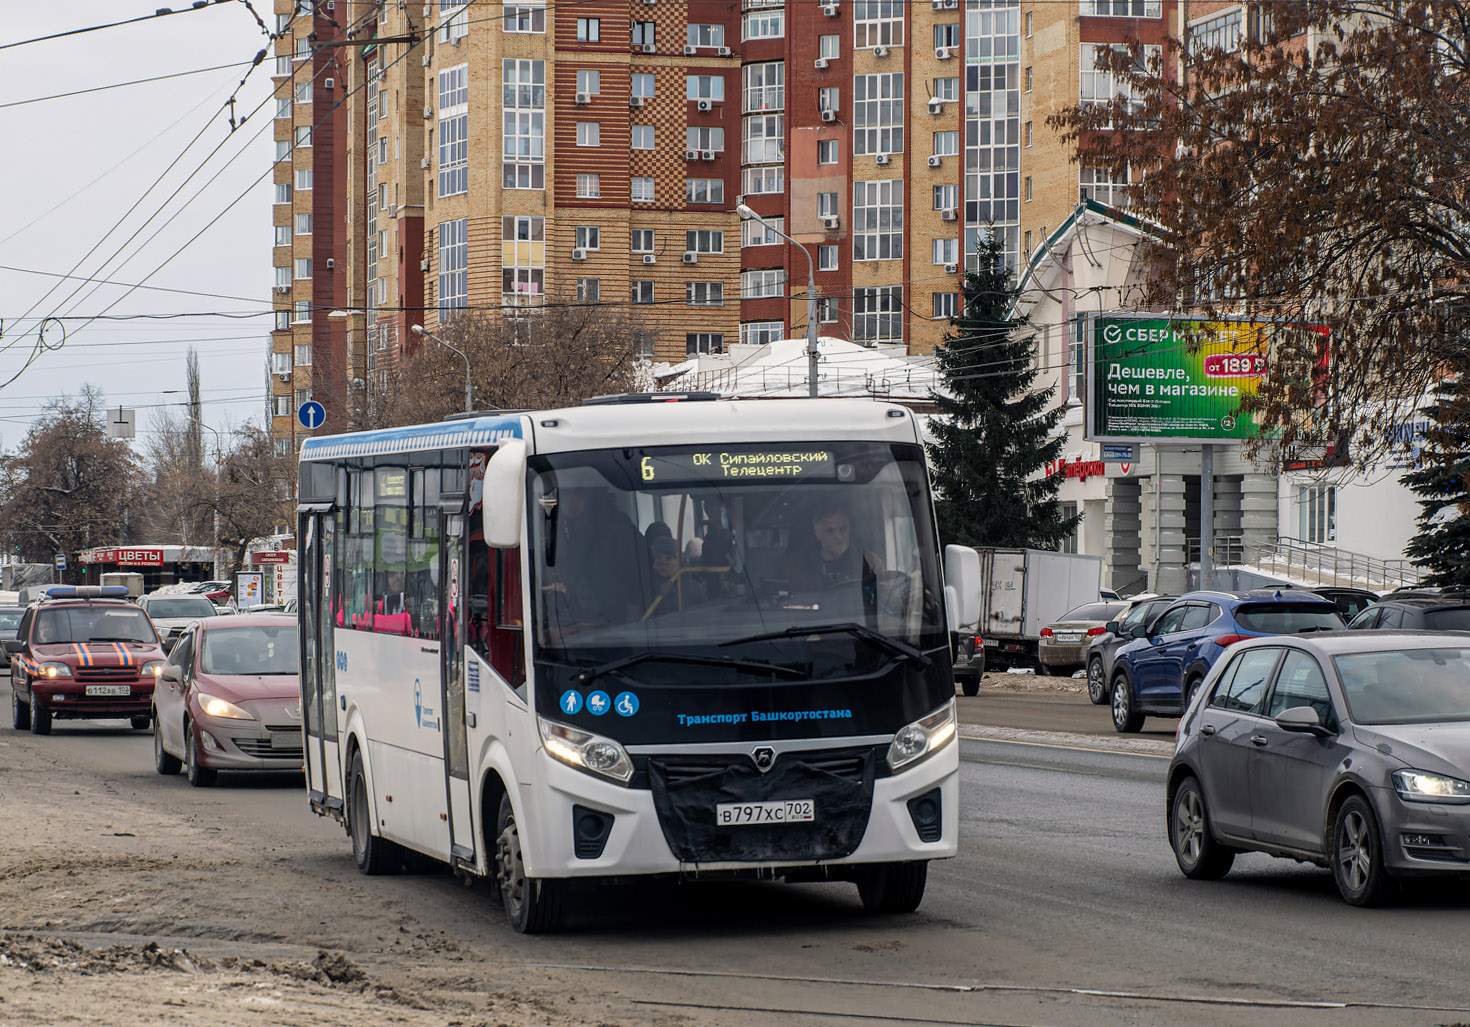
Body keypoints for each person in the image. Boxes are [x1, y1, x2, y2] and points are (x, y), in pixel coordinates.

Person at [788, 500, 885, 592]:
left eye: (843, 529)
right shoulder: (797, 565)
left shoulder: (869, 562)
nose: (838, 537)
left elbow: (883, 599)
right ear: (817, 533)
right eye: (830, 531)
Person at [645, 536, 705, 617]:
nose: (663, 562)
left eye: (669, 558)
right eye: (658, 557)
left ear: (679, 561)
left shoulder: (692, 586)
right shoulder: (646, 585)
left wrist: (666, 595)